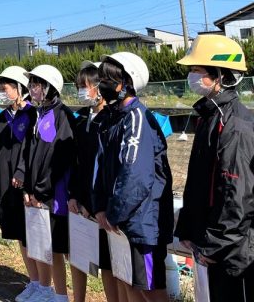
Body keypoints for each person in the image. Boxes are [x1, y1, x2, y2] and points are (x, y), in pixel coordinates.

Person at [175, 35, 254, 300]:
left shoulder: (235, 126)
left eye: (197, 70)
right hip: (210, 247)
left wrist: (212, 246)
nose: (191, 76)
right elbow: (198, 183)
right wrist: (187, 228)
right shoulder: (210, 117)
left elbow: (236, 196)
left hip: (232, 253)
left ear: (220, 76)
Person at [93, 52, 173, 302]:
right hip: (122, 219)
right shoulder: (113, 117)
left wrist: (114, 213)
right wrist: (101, 208)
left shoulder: (137, 119)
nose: (100, 84)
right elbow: (102, 167)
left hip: (141, 221)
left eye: (107, 79)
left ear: (126, 83)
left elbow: (135, 176)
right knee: (130, 282)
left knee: (149, 289)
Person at [13, 64, 75, 302]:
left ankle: (60, 295)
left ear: (50, 87)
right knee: (39, 242)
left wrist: (40, 190)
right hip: (35, 193)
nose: (32, 88)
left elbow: (57, 159)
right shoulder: (40, 114)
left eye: (37, 84)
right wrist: (28, 189)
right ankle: (42, 287)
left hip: (52, 195)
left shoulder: (62, 115)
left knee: (56, 248)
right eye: (32, 83)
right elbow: (30, 155)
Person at [68, 62, 119, 302]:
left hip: (101, 204)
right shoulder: (80, 119)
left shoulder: (111, 119)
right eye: (79, 87)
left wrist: (94, 203)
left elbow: (107, 169)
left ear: (99, 87)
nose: (81, 91)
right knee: (78, 256)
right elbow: (77, 164)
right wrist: (74, 196)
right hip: (81, 202)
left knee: (109, 265)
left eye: (85, 86)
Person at [0, 66, 39, 301]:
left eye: (6, 88)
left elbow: (32, 152)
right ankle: (33, 281)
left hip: (25, 186)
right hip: (6, 185)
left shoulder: (32, 115)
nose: (2, 93)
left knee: (32, 235)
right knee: (20, 235)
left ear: (19, 88)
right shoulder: (2, 117)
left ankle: (42, 284)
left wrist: (22, 173)